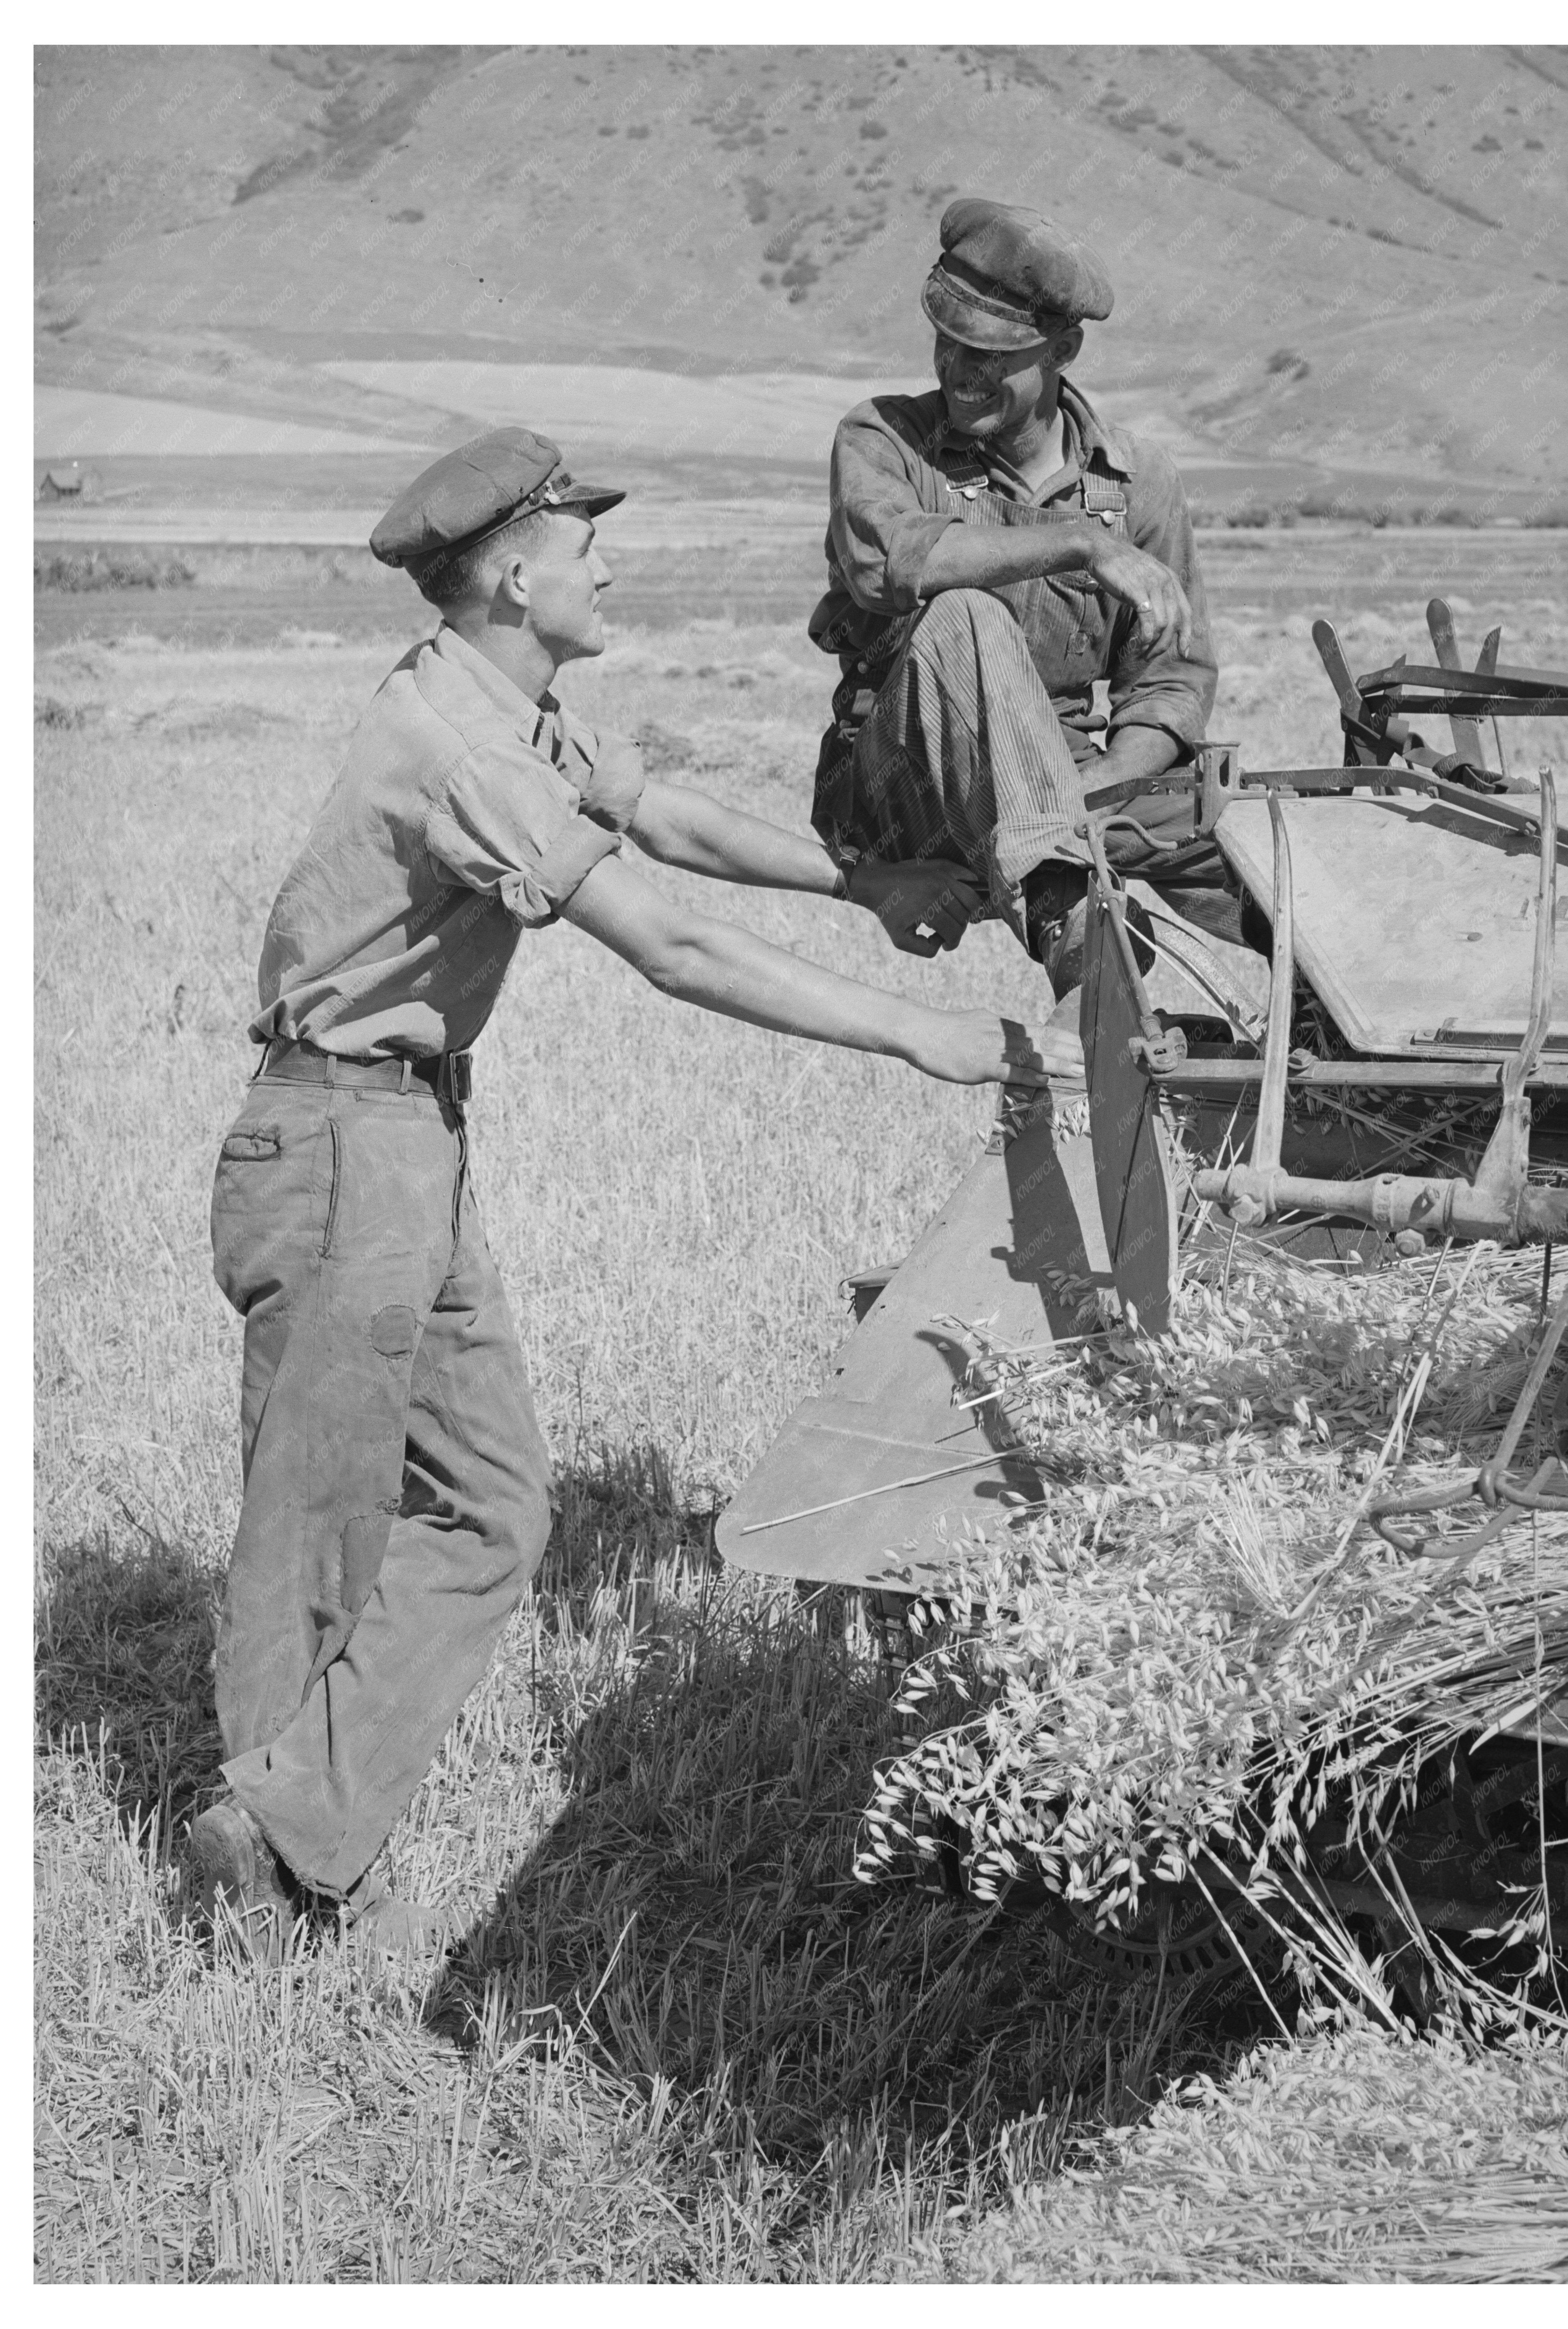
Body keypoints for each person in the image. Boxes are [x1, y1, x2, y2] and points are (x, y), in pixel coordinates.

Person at [192, 427, 1079, 1959]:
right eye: (583, 542)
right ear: (517, 573)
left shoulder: (506, 705)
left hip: (406, 1142)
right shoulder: (461, 749)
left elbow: (663, 817)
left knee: (492, 1507)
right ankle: (269, 1866)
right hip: (342, 1140)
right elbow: (666, 946)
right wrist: (917, 1033)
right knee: (322, 1526)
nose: (608, 562)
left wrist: (862, 887)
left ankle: (291, 1825)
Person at [810, 197, 1222, 997]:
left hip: (1072, 787)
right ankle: (1077, 935)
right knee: (964, 611)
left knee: (1262, 845)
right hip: (903, 788)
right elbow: (890, 562)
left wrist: (1097, 787)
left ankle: (1355, 1057)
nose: (958, 372)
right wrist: (1077, 543)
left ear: (1062, 350)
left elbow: (1171, 682)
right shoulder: (881, 439)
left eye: (990, 356)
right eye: (947, 343)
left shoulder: (1136, 483)